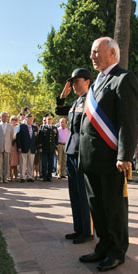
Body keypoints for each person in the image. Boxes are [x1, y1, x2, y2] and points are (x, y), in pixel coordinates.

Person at [78, 37, 138, 272]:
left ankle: (116, 251)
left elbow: (129, 121)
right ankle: (103, 246)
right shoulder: (97, 83)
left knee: (114, 207)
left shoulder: (124, 79)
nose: (92, 56)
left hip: (112, 158)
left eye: (96, 52)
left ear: (112, 53)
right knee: (97, 206)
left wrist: (124, 155)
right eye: (92, 52)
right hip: (92, 158)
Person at [56, 67, 94, 244]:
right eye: (72, 82)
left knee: (83, 193)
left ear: (87, 81)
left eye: (77, 81)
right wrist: (63, 96)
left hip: (82, 152)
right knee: (74, 193)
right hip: (71, 150)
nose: (74, 85)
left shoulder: (91, 99)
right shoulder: (77, 101)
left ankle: (87, 231)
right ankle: (78, 228)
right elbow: (60, 111)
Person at [0, 111, 14, 183]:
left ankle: (5, 177)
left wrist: (8, 144)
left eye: (6, 116)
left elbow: (11, 137)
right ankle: (0, 177)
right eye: (4, 116)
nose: (5, 118)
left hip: (7, 147)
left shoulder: (10, 126)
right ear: (0, 117)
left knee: (6, 163)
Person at [16, 113, 38, 182]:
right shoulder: (21, 126)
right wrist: (19, 146)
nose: (31, 120)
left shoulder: (35, 127)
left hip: (32, 148)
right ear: (26, 119)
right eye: (29, 118)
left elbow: (36, 139)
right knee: (23, 163)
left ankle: (30, 176)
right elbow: (18, 137)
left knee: (31, 163)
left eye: (32, 119)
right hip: (23, 147)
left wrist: (36, 148)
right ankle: (22, 177)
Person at [38, 113, 58, 182]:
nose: (49, 120)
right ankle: (44, 176)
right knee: (44, 163)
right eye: (48, 119)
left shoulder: (54, 128)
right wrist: (40, 147)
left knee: (51, 163)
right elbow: (40, 138)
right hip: (44, 148)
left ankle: (49, 176)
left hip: (51, 148)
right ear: (46, 120)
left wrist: (56, 148)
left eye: (51, 119)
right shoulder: (43, 127)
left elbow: (56, 139)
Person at [9, 115, 20, 180]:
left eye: (15, 120)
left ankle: (15, 176)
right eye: (13, 120)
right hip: (9, 145)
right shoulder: (9, 127)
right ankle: (10, 176)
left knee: (15, 163)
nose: (14, 121)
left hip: (16, 146)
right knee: (10, 162)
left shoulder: (18, 127)